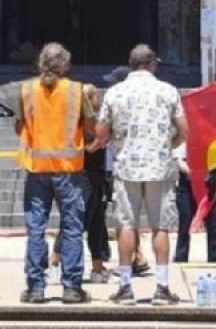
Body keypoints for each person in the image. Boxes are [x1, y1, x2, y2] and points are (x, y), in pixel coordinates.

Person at [96, 44, 189, 306]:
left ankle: (125, 286)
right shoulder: (167, 91)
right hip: (159, 166)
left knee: (127, 224)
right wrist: (167, 145)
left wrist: (117, 143)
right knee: (160, 226)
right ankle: (162, 287)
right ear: (152, 64)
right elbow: (184, 130)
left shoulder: (115, 92)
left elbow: (101, 133)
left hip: (127, 166)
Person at [17, 43, 94, 304]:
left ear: (40, 63)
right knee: (72, 228)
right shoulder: (76, 90)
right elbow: (90, 125)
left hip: (37, 169)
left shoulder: (27, 90)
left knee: (35, 229)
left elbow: (19, 125)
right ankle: (71, 287)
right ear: (65, 65)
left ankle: (36, 287)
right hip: (69, 170)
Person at [51, 84, 112, 283]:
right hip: (85, 177)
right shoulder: (84, 123)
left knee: (97, 222)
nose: (99, 99)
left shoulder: (92, 121)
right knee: (76, 221)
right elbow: (91, 146)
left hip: (97, 177)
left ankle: (98, 268)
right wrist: (101, 139)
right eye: (95, 96)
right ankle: (55, 262)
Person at [100, 65, 151, 277]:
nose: (109, 86)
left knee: (124, 218)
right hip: (125, 163)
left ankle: (131, 259)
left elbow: (103, 132)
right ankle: (137, 255)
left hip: (119, 165)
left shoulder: (117, 102)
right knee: (128, 216)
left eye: (112, 82)